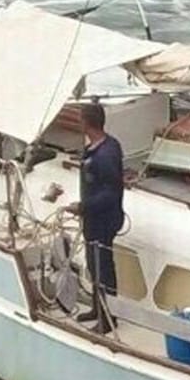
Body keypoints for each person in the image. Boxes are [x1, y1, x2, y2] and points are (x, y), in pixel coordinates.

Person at [65, 102, 125, 334]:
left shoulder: (105, 154)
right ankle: (97, 308)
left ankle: (109, 318)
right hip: (95, 220)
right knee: (94, 266)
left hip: (103, 221)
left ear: (86, 123)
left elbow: (111, 193)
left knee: (103, 268)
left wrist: (83, 206)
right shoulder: (103, 147)